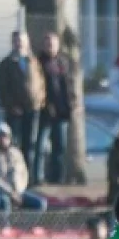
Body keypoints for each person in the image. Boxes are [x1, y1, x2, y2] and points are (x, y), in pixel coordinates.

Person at [0, 31, 45, 171]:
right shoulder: (6, 64)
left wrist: (40, 102)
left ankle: (30, 175)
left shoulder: (34, 61)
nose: (19, 43)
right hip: (14, 112)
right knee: (14, 144)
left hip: (33, 109)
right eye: (16, 41)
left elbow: (41, 83)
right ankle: (15, 173)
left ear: (27, 42)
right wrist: (11, 106)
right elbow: (1, 89)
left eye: (22, 40)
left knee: (31, 144)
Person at [36, 31, 74, 185]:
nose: (50, 46)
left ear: (57, 45)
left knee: (59, 148)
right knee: (39, 146)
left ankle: (57, 178)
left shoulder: (63, 62)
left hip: (61, 112)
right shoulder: (38, 62)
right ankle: (38, 177)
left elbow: (68, 87)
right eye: (47, 43)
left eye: (52, 43)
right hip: (43, 112)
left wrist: (69, 107)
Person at [0, 124, 46, 211]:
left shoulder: (16, 153)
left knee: (40, 203)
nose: (3, 139)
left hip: (20, 191)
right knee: (4, 202)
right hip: (4, 192)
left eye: (6, 136)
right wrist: (11, 193)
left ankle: (29, 224)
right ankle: (6, 224)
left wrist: (19, 191)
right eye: (1, 136)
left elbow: (24, 173)